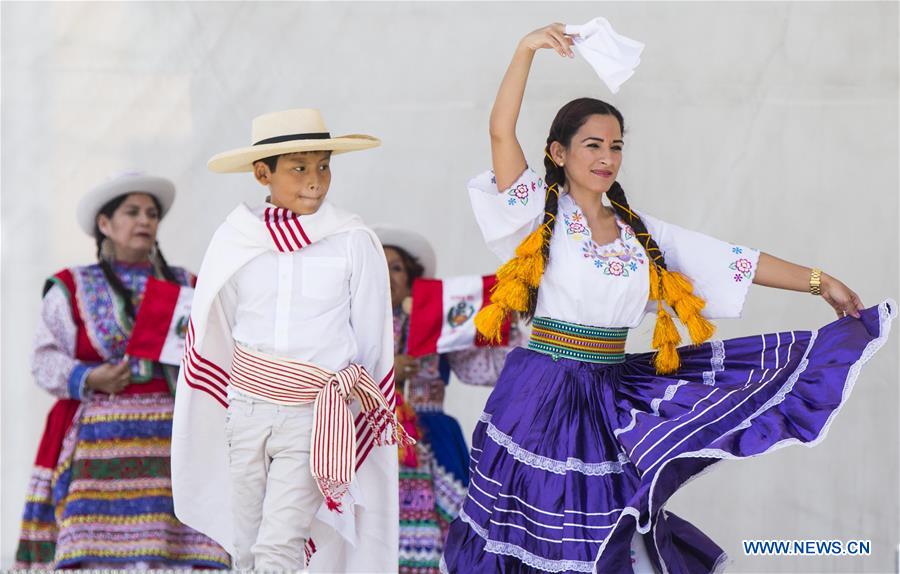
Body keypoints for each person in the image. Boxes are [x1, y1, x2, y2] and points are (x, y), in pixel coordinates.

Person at [440, 23, 896, 573]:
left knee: (611, 532)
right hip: (544, 393)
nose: (607, 157)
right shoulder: (538, 215)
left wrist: (821, 282)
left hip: (609, 393)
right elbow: (500, 132)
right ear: (558, 152)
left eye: (616, 146)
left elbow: (731, 260)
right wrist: (525, 50)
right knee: (544, 536)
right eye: (592, 145)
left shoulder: (641, 234)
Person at [170, 108, 412, 572]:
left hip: (314, 414)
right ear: (263, 173)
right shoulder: (236, 239)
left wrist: (353, 413)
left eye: (323, 166)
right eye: (299, 168)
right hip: (244, 411)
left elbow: (371, 337)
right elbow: (215, 327)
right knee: (245, 548)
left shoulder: (352, 239)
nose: (315, 181)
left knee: (278, 548)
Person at [14, 172, 230, 570]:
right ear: (105, 223)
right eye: (132, 212)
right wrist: (88, 377)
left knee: (176, 551)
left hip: (173, 444)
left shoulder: (187, 285)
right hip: (100, 447)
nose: (145, 220)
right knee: (96, 553)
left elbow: (217, 350)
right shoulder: (72, 286)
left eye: (151, 214)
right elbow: (43, 359)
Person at [374, 226, 521, 572]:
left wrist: (504, 324)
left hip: (433, 441)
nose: (388, 275)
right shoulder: (351, 326)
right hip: (370, 439)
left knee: (451, 530)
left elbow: (485, 371)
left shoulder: (437, 322)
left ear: (412, 279)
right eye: (379, 266)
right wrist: (387, 372)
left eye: (397, 268)